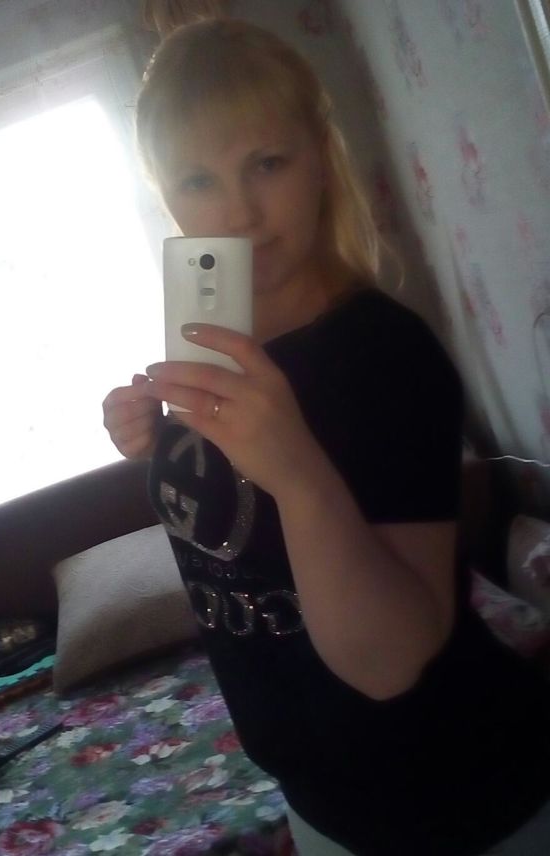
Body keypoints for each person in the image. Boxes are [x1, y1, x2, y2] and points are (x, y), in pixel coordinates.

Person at [102, 13, 550, 856]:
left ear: (319, 157)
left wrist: (296, 467)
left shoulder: (387, 354)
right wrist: (155, 442)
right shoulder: (216, 345)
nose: (238, 213)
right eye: (198, 181)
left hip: (457, 800)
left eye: (266, 163)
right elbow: (235, 528)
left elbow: (388, 663)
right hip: (316, 801)